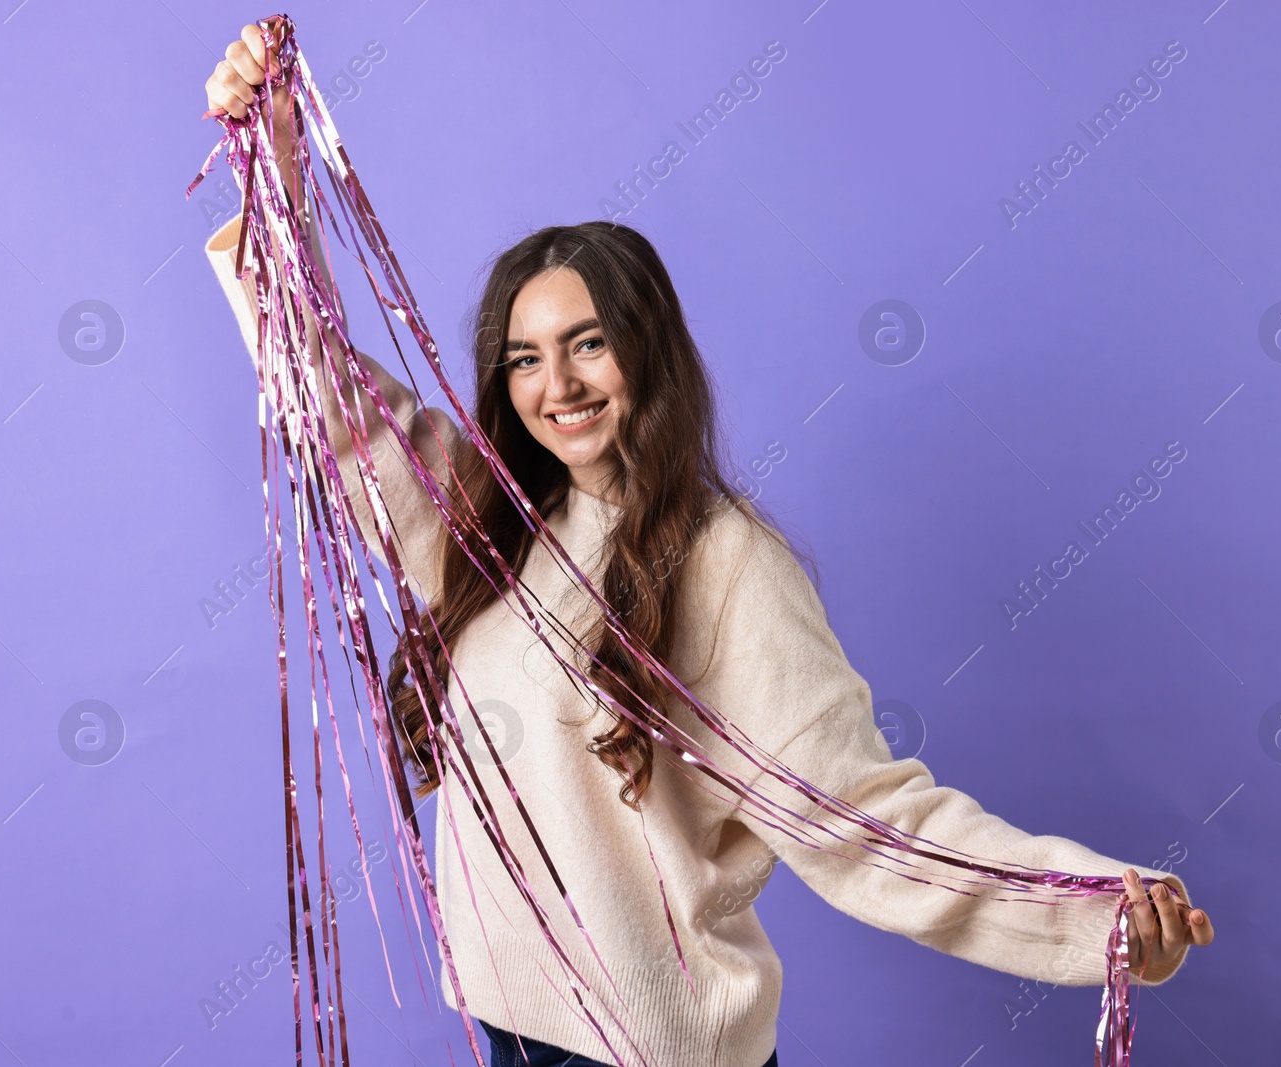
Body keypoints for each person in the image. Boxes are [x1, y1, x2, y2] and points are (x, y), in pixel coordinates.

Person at [201, 20, 1214, 1067]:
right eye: (524, 358)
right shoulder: (488, 517)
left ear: (647, 352)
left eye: (588, 343)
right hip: (509, 1030)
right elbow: (335, 404)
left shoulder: (727, 563)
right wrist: (278, 180)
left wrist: (1083, 912)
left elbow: (863, 814)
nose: (558, 386)